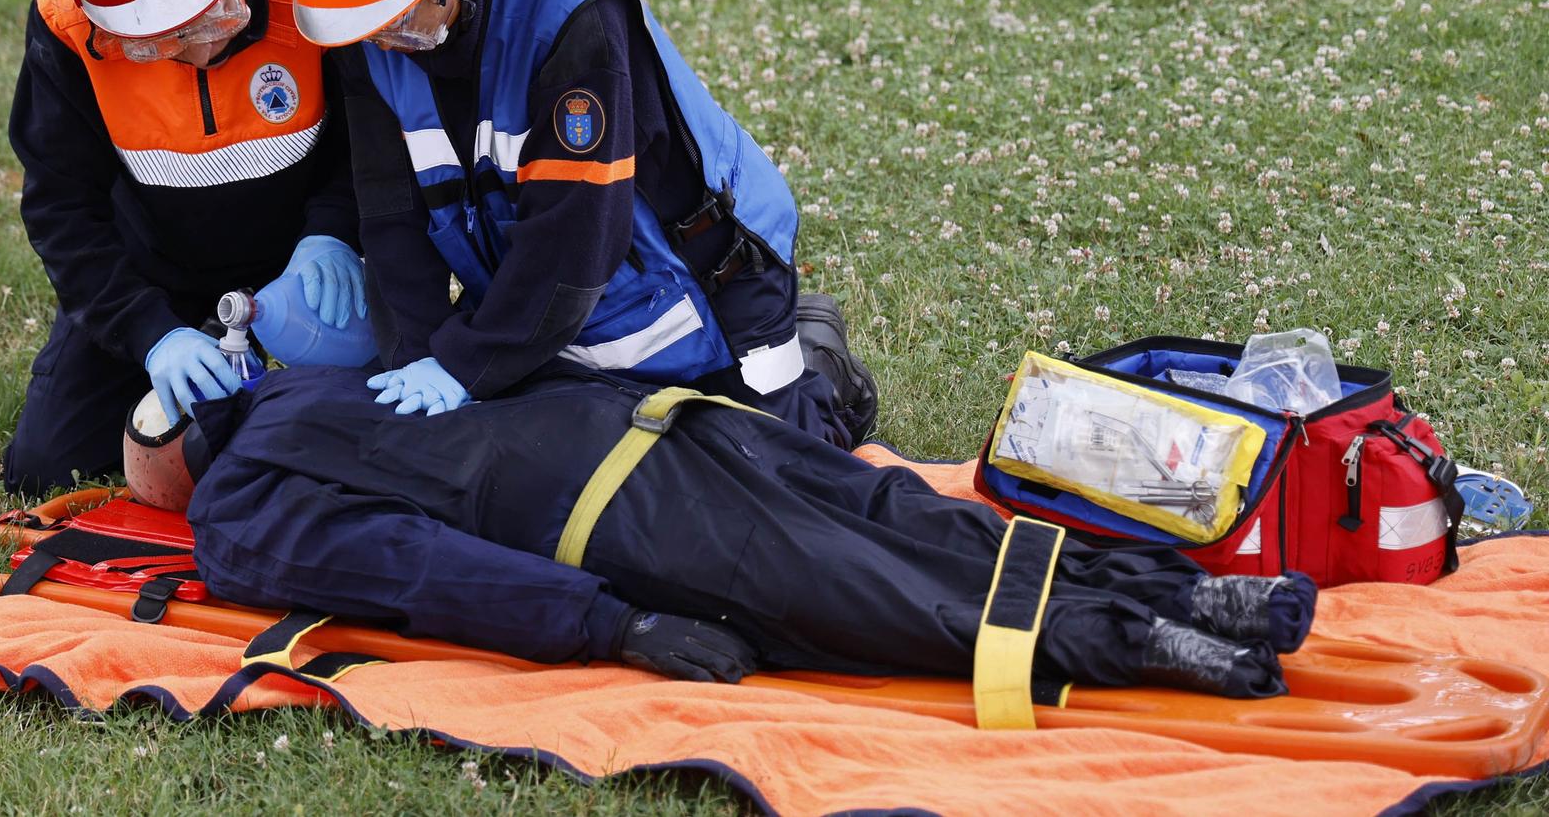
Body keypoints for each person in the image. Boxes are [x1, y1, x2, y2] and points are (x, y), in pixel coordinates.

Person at [170, 364, 1314, 695]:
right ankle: (1184, 593)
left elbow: (421, 569)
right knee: (907, 516)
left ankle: (1151, 642)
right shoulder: (313, 377)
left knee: (890, 602)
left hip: (630, 518)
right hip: (678, 420)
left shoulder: (235, 508)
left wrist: (610, 626)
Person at [277, 0, 864, 445]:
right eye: (365, 30)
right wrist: (418, 362)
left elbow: (575, 240)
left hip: (705, 275)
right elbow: (390, 210)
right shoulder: (367, 24)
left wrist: (465, 366)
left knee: (773, 459)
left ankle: (818, 364)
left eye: (395, 22)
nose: (383, 45)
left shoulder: (572, 16)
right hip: (545, 291)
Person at [3, 0, 363, 495]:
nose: (195, 52)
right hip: (154, 269)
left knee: (365, 430)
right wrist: (150, 332)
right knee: (44, 466)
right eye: (155, 42)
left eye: (212, 17)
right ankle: (190, 343)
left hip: (303, 264)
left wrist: (334, 230)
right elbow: (62, 211)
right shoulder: (66, 31)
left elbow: (370, 141)